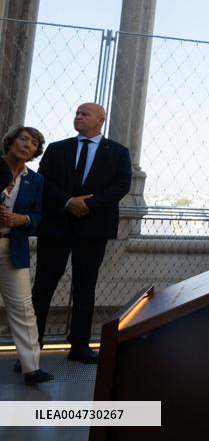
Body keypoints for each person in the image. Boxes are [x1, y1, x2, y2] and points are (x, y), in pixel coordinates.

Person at [32, 103, 131, 364]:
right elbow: (43, 181)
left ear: (100, 120)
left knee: (85, 287)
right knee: (43, 287)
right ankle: (31, 347)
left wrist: (89, 204)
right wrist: (68, 201)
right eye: (76, 113)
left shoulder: (118, 152)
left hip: (93, 227)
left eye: (84, 114)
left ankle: (79, 346)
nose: (78, 117)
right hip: (56, 226)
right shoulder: (57, 148)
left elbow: (122, 185)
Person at [0, 126, 53, 385]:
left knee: (23, 308)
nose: (28, 145)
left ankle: (31, 369)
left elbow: (39, 216)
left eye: (33, 143)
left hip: (13, 247)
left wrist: (23, 219)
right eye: (24, 139)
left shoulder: (36, 180)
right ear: (11, 141)